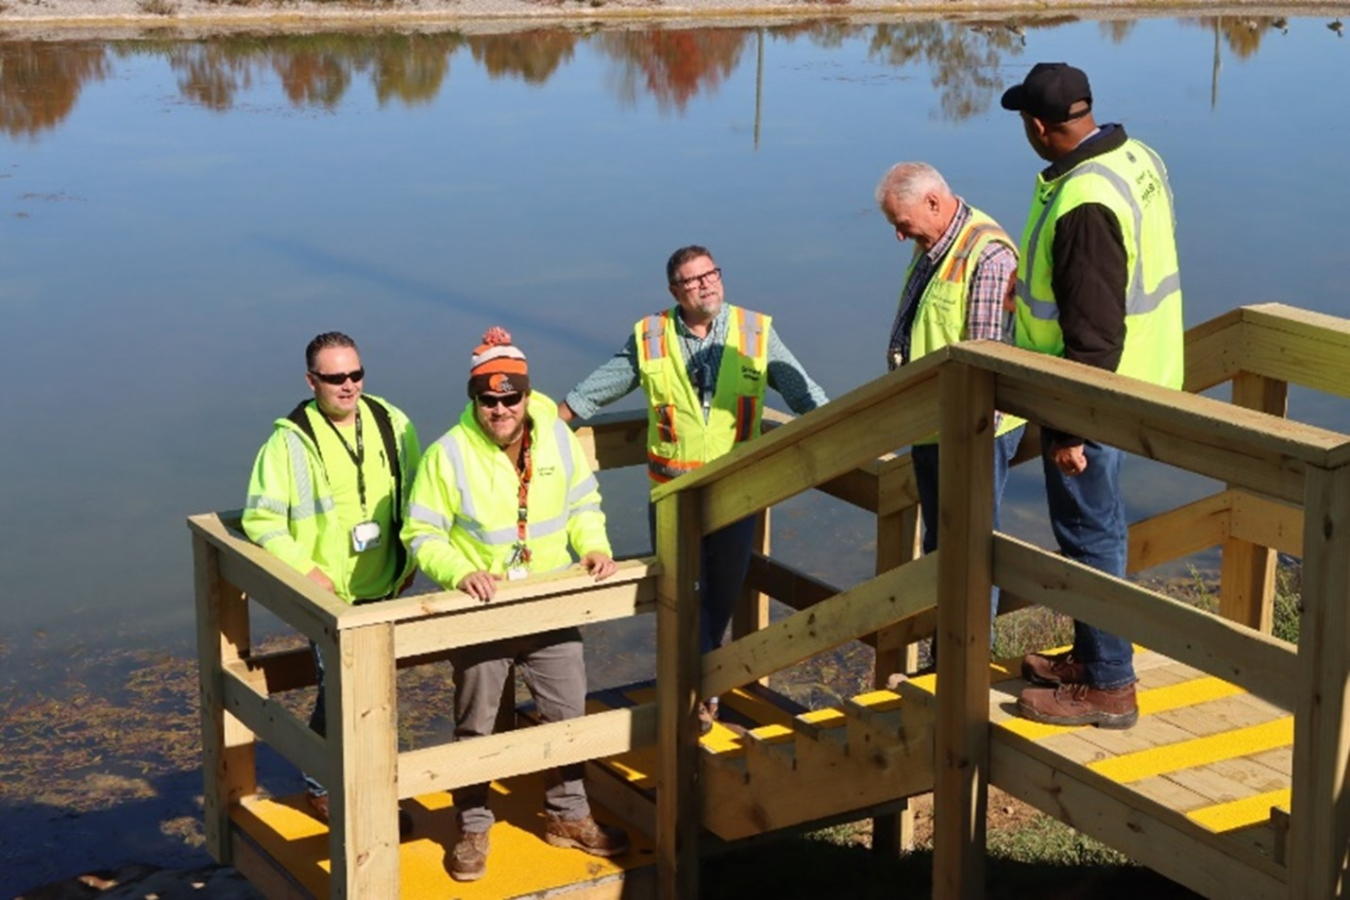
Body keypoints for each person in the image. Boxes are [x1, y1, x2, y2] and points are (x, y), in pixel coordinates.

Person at [558, 245, 829, 733]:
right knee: (682, 596)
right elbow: (598, 389)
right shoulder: (651, 335)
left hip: (736, 491)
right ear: (674, 291)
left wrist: (843, 427)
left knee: (721, 597)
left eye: (711, 275)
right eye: (691, 280)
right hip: (674, 496)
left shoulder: (754, 331)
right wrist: (548, 424)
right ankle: (699, 696)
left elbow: (803, 391)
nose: (705, 285)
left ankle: (697, 688)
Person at [402, 327, 630, 882]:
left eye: (511, 397)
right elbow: (422, 533)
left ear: (528, 395)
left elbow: (582, 503)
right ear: (473, 398)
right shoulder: (447, 454)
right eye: (488, 398)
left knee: (568, 713)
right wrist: (460, 572)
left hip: (550, 604)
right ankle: (474, 826)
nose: (500, 408)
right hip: (482, 611)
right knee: (479, 725)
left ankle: (568, 815)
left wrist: (596, 547)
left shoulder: (555, 437)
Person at [1000, 63, 1184, 729]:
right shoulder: (1134, 156)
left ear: (1041, 127)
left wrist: (1071, 427)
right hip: (1141, 376)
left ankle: (1109, 684)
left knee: (1090, 532)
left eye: (1025, 122)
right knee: (1094, 526)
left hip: (1095, 394)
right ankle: (1090, 654)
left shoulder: (1085, 202)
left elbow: (1095, 329)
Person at [241, 331, 420, 833]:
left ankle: (367, 790)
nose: (348, 386)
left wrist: (411, 559)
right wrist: (310, 574)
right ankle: (331, 792)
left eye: (356, 375)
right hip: (329, 597)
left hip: (386, 585)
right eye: (335, 378)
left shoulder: (393, 422)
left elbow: (418, 494)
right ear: (311, 380)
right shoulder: (288, 443)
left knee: (379, 695)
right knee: (344, 696)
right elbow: (262, 521)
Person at [874, 161, 1026, 633]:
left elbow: (983, 362)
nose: (900, 237)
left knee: (971, 545)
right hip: (932, 421)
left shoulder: (987, 255)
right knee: (940, 544)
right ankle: (945, 655)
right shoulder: (936, 243)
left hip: (971, 429)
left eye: (903, 224)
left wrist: (973, 437)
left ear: (934, 202)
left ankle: (967, 662)